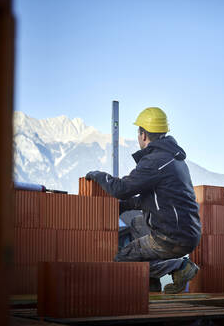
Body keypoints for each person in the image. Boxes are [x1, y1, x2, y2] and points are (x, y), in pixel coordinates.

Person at [85, 107, 201, 294]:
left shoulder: (155, 162)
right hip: (186, 230)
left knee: (123, 258)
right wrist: (123, 207)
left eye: (138, 133)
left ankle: (179, 267)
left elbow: (121, 189)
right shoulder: (174, 159)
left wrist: (99, 175)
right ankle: (152, 285)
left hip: (171, 237)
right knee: (137, 223)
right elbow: (153, 200)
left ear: (143, 134)